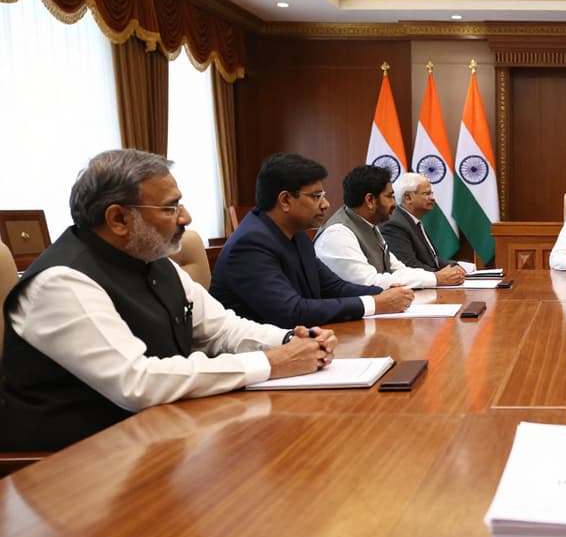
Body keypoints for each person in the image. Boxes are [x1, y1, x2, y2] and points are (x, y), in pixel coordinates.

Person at [0, 149, 336, 451]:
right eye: (170, 207)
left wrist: (294, 339)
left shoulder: (154, 260)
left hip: (154, 436)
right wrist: (273, 362)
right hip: (72, 462)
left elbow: (223, 330)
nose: (186, 217)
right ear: (118, 219)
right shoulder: (62, 281)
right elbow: (137, 381)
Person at [210, 154, 414, 328]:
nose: (326, 204)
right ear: (285, 200)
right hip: (257, 356)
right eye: (316, 196)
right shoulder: (249, 245)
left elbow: (333, 287)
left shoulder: (296, 234)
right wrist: (376, 303)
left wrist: (386, 292)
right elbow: (292, 311)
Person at [315, 165, 465, 288]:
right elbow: (369, 282)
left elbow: (398, 270)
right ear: (370, 200)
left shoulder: (370, 226)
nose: (395, 203)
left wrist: (436, 277)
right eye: (390, 196)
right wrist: (436, 279)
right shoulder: (338, 234)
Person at [380, 172, 476, 276]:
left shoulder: (412, 220)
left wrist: (457, 266)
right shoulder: (394, 224)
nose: (433, 198)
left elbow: (433, 260)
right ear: (408, 197)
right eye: (427, 194)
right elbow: (408, 266)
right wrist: (440, 276)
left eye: (431, 193)